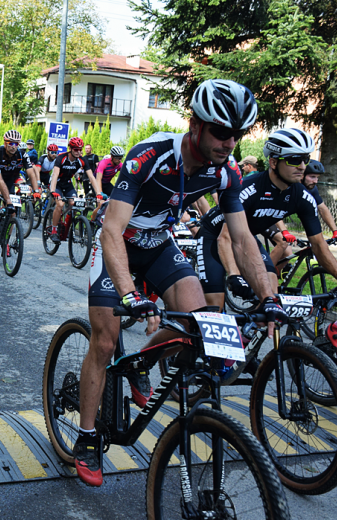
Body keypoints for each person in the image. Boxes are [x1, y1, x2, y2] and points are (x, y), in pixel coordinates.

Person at [75, 79, 285, 487]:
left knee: (198, 320)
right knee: (103, 342)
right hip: (119, 242)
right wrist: (130, 294)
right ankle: (86, 435)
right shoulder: (149, 156)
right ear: (195, 126)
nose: (229, 143)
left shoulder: (226, 175)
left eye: (237, 135)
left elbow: (242, 239)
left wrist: (268, 295)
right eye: (222, 132)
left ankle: (140, 366)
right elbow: (112, 230)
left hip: (158, 245)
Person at [196, 128, 337, 315]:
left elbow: (318, 244)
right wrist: (235, 274)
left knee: (271, 299)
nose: (302, 166)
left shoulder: (302, 197)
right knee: (214, 311)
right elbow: (225, 238)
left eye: (305, 159)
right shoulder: (249, 188)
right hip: (213, 237)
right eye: (294, 160)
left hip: (246, 237)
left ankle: (253, 336)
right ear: (273, 162)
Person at [48, 136, 97, 244]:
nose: (78, 152)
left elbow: (91, 177)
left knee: (74, 203)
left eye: (80, 149)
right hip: (57, 183)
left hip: (68, 184)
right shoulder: (61, 157)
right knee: (60, 204)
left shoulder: (82, 160)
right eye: (76, 149)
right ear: (70, 148)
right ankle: (54, 230)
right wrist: (53, 191)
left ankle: (69, 228)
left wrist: (98, 193)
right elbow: (55, 174)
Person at [0, 129, 40, 213]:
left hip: (10, 180)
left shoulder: (22, 155)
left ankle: (11, 221)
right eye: (11, 143)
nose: (14, 146)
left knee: (12, 210)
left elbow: (31, 173)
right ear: (5, 143)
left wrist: (36, 191)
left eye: (16, 144)